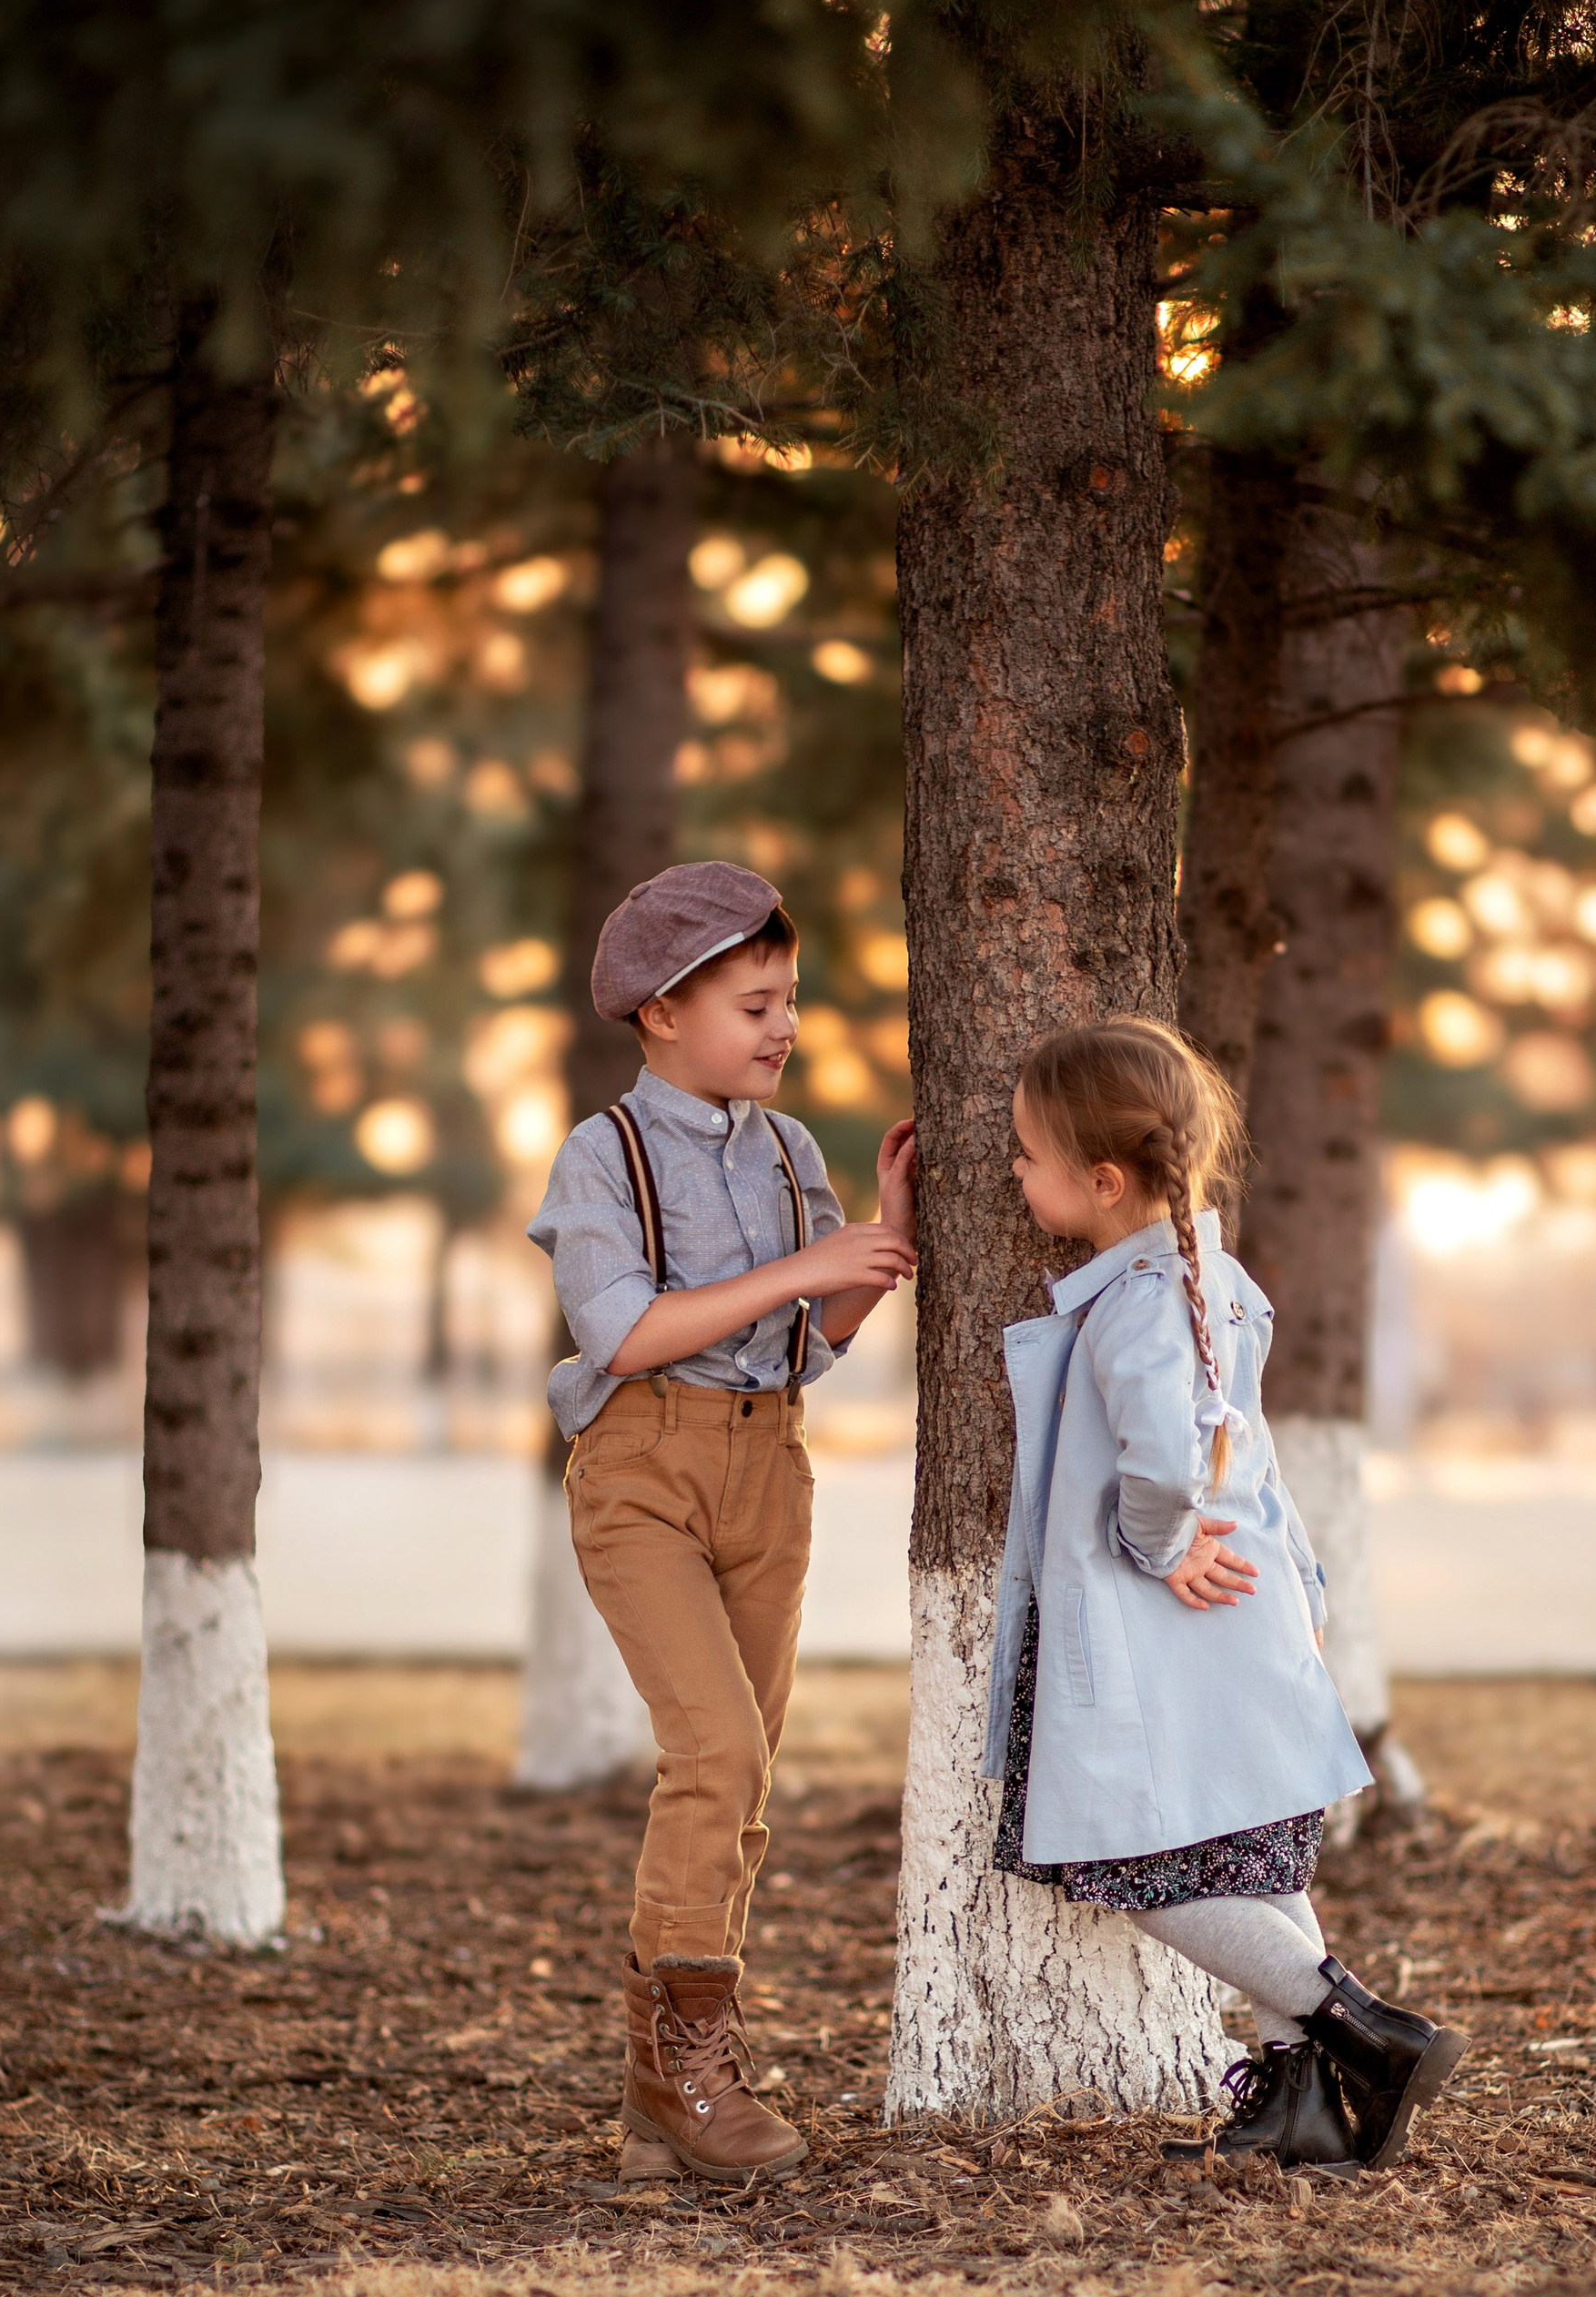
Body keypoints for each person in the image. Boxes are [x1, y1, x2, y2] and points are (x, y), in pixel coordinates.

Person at [985, 1017, 1467, 2174]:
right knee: (1256, 1867)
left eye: (1025, 1155)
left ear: (1102, 1180)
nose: (1010, 1171)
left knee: (1127, 1870)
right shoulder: (1207, 1279)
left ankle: (1367, 2031)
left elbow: (1158, 1466)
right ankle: (1293, 2108)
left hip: (1174, 1624)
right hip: (1238, 1617)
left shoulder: (1144, 1298)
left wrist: (1154, 1547)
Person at [530, 862, 917, 2186]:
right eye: (754, 1004)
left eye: (789, 1001)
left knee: (742, 1780)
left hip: (770, 1470)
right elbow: (624, 1331)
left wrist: (880, 1244)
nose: (783, 1027)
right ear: (659, 1013)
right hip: (644, 1468)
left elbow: (809, 1343)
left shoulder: (791, 1151)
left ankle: (674, 2076)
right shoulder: (606, 1153)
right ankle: (682, 2073)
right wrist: (810, 1262)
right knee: (715, 1751)